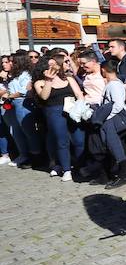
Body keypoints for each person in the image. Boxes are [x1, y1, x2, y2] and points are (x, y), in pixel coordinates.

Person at [32, 54, 84, 182]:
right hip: (54, 112)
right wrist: (49, 81)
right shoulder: (40, 82)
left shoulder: (68, 78)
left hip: (72, 111)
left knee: (79, 140)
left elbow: (79, 94)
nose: (53, 67)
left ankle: (78, 165)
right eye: (49, 65)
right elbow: (44, 96)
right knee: (62, 141)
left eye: (54, 64)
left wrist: (80, 108)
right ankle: (67, 170)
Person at [2, 54, 43, 168]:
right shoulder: (15, 75)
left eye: (12, 62)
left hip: (22, 103)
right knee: (15, 131)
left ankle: (35, 156)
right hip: (14, 104)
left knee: (28, 131)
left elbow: (23, 91)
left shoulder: (25, 75)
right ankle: (23, 154)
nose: (9, 64)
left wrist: (9, 96)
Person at [97, 59, 126, 189]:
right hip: (109, 120)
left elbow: (118, 104)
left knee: (116, 147)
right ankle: (116, 173)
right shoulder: (112, 84)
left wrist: (106, 117)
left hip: (112, 120)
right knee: (112, 146)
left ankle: (123, 175)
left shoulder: (114, 85)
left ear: (103, 70)